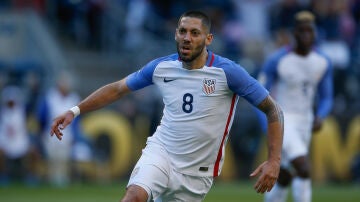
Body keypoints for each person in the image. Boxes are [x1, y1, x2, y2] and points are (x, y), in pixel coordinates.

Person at [50, 11, 284, 202]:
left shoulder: (228, 72)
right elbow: (118, 88)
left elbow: (273, 110)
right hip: (161, 153)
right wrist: (74, 110)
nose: (187, 38)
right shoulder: (161, 67)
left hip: (197, 173)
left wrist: (274, 160)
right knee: (133, 196)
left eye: (195, 33)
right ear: (175, 34)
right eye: (182, 31)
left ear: (208, 39)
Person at [258, 11, 333, 202]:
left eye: (310, 31)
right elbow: (258, 93)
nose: (306, 36)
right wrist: (266, 125)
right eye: (302, 31)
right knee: (304, 167)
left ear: (315, 33)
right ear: (294, 33)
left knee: (284, 174)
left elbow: (326, 96)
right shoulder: (277, 60)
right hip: (283, 119)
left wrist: (321, 115)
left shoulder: (323, 62)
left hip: (306, 120)